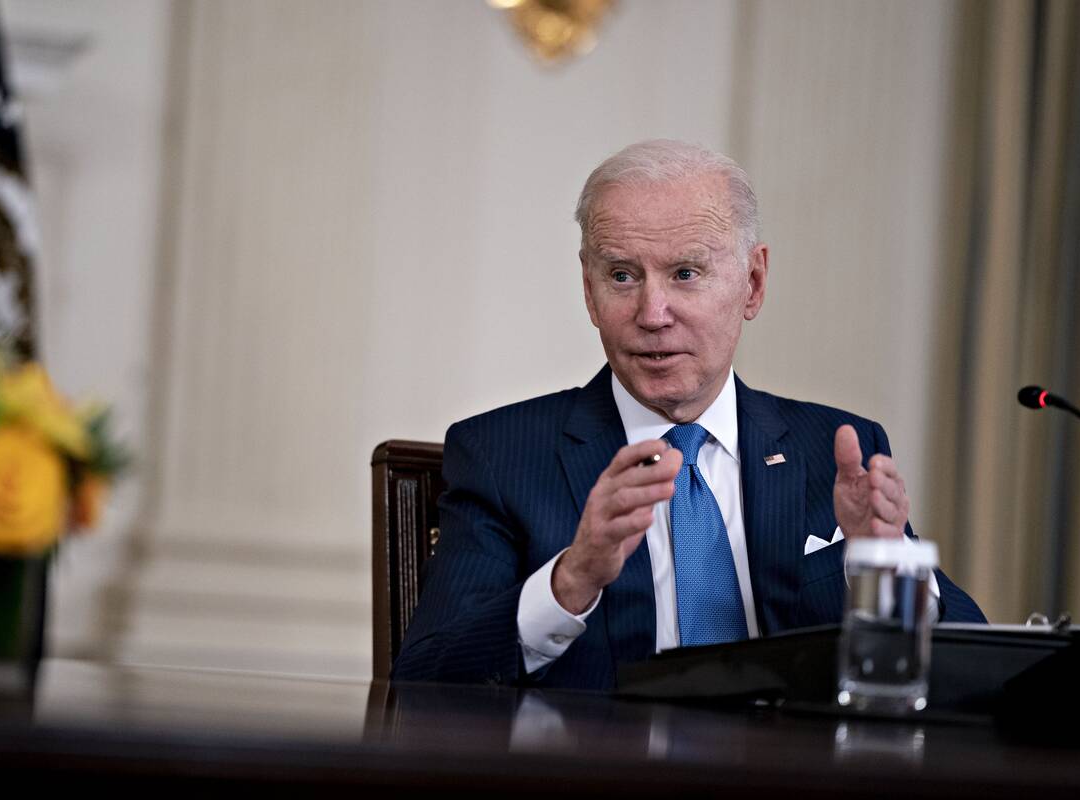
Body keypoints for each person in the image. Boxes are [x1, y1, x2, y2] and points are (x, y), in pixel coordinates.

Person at [393, 140, 985, 690]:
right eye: (622, 276)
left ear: (752, 284)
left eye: (686, 274)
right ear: (588, 289)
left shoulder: (832, 449)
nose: (653, 313)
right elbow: (424, 682)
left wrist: (888, 567)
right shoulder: (503, 454)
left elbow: (977, 668)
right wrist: (571, 580)